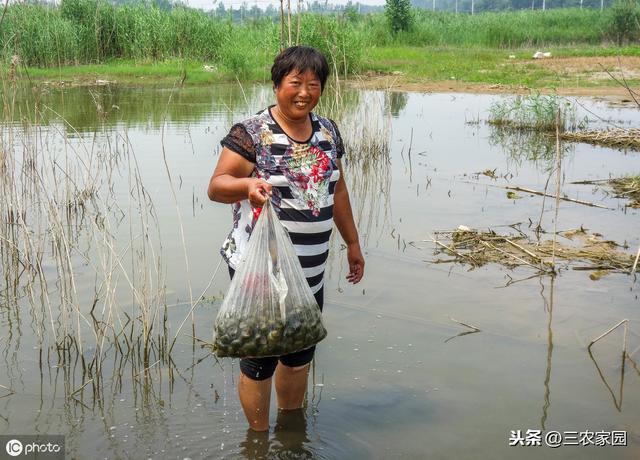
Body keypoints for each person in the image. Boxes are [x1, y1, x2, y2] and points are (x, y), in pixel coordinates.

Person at [207, 45, 364, 432]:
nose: (304, 92)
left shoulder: (327, 131)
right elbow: (217, 185)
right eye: (295, 82)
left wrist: (353, 244)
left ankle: (290, 435)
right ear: (277, 85)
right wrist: (247, 185)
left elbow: (338, 191)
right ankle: (258, 441)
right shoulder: (252, 132)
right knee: (260, 358)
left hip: (309, 269)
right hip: (260, 270)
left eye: (314, 84)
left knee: (299, 353)